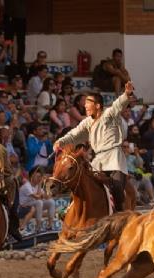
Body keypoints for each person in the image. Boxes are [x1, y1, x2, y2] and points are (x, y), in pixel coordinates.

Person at [53, 81, 136, 212]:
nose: (85, 105)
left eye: (88, 102)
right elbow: (74, 134)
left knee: (118, 189)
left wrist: (126, 94)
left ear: (97, 105)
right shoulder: (87, 122)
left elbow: (117, 105)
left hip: (114, 158)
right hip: (97, 161)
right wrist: (60, 142)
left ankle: (120, 217)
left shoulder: (108, 115)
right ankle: (68, 211)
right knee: (80, 182)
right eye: (85, 103)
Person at [19, 166, 55, 233]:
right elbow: (37, 197)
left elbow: (47, 197)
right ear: (32, 176)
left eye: (40, 177)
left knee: (51, 202)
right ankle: (38, 228)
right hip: (24, 208)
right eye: (37, 176)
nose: (39, 179)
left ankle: (50, 226)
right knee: (39, 202)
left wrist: (48, 186)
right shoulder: (27, 186)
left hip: (34, 207)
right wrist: (40, 184)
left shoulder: (37, 186)